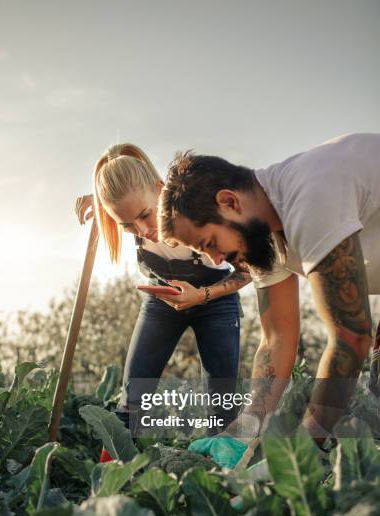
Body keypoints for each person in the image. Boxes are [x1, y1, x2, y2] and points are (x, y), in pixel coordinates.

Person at [158, 133, 380, 463]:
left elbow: (351, 336)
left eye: (209, 243)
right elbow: (277, 338)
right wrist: (244, 431)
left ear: (229, 202)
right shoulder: (263, 233)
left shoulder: (309, 198)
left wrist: (299, 455)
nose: (217, 260)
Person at [76, 143, 252, 437]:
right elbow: (124, 209)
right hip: (162, 302)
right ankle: (113, 475)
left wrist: (201, 296)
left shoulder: (202, 209)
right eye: (128, 226)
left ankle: (220, 476)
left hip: (216, 302)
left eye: (146, 215)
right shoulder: (130, 213)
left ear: (161, 189)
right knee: (133, 397)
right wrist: (98, 203)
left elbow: (247, 272)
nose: (143, 230)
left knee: (221, 403)